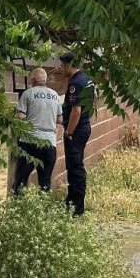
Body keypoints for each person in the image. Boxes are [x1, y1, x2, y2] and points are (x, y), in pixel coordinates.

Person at [13, 67, 62, 194]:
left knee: (21, 179)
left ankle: (18, 202)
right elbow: (60, 119)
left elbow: (21, 116)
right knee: (45, 182)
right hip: (49, 143)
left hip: (30, 142)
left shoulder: (27, 94)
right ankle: (44, 203)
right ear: (45, 80)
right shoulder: (55, 95)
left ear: (33, 80)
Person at [60, 51, 94, 216]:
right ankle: (71, 201)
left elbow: (76, 111)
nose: (61, 68)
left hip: (76, 130)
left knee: (75, 168)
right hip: (84, 127)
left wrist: (69, 132)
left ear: (68, 65)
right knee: (74, 166)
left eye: (62, 65)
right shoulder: (86, 79)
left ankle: (77, 207)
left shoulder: (75, 82)